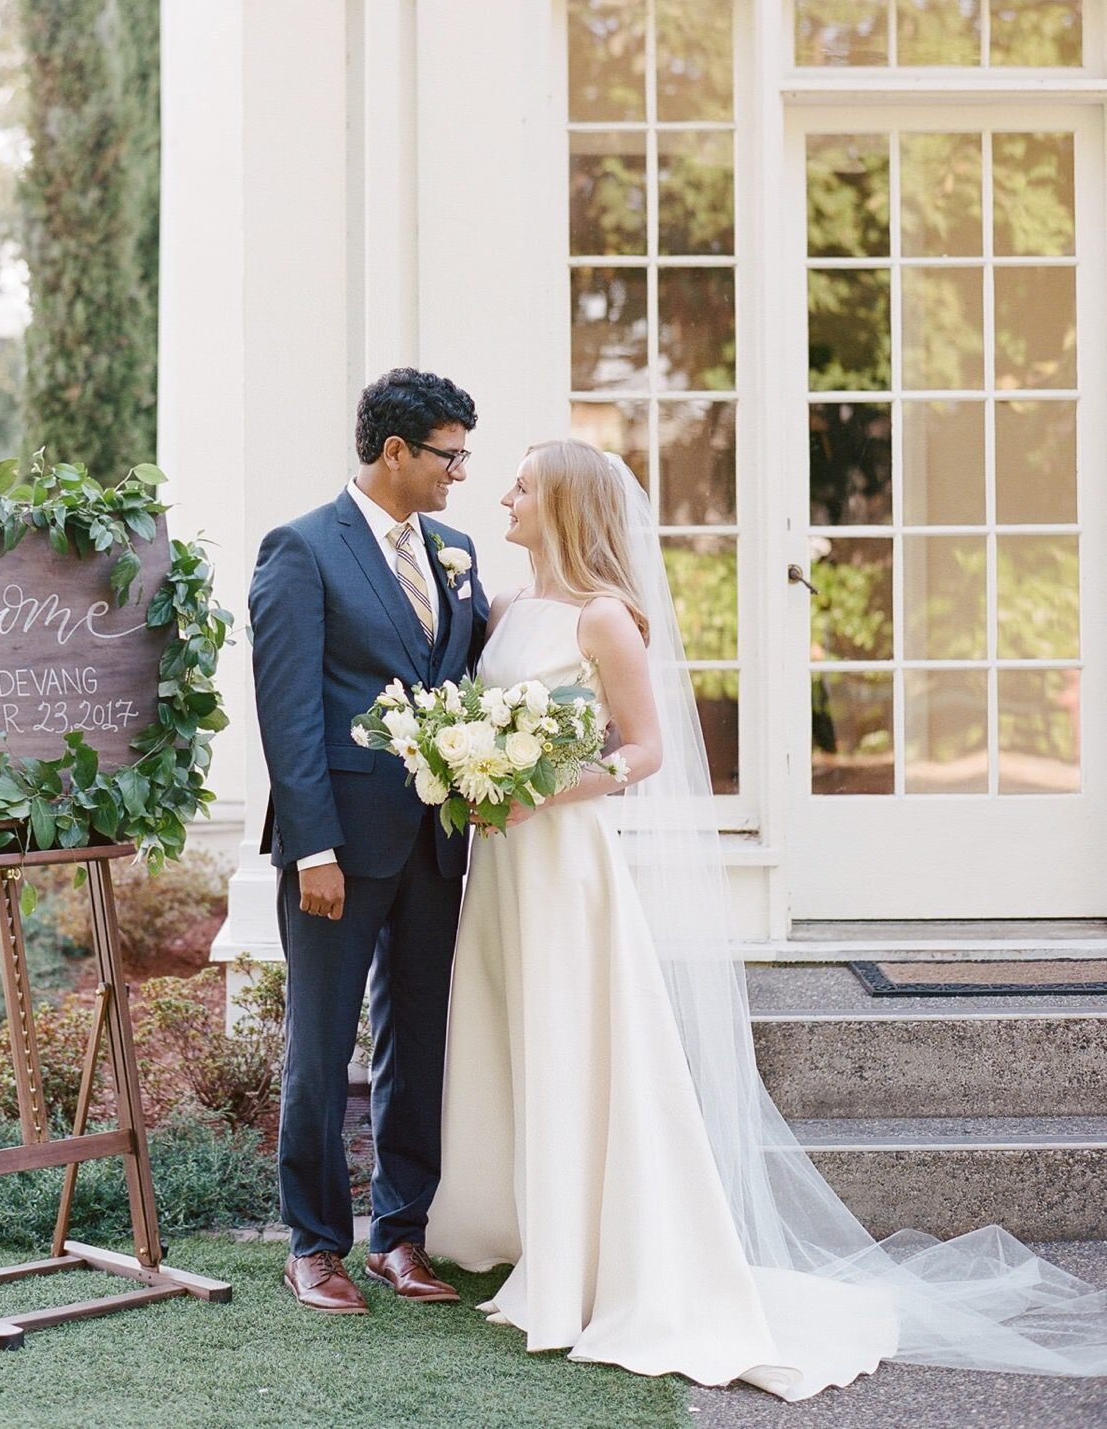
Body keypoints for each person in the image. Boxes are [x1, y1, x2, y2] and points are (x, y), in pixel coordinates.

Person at [428, 438, 1107, 1399]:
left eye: (525, 484)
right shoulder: (503, 609)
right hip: (499, 865)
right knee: (512, 1028)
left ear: (566, 506)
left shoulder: (606, 620)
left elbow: (650, 751)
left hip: (562, 861)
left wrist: (541, 792)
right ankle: (522, 1224)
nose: (506, 493)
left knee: (575, 1038)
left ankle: (597, 1256)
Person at [249, 368, 490, 1315]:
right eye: (449, 454)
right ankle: (313, 1245)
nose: (459, 473)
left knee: (417, 1042)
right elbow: (289, 710)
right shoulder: (302, 549)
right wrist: (311, 847)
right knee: (318, 1047)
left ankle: (401, 1235)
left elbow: (468, 670)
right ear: (395, 452)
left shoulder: (459, 550)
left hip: (436, 842)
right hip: (337, 848)